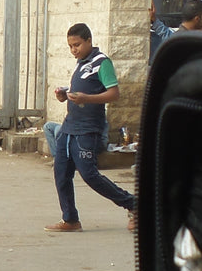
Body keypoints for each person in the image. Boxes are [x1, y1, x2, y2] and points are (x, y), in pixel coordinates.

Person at [45, 23, 137, 234]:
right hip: (70, 128)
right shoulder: (81, 64)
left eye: (77, 45)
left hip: (88, 129)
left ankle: (132, 203)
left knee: (89, 175)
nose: (73, 50)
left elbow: (113, 94)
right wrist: (65, 94)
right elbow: (80, 90)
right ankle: (70, 219)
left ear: (88, 41)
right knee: (61, 174)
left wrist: (87, 98)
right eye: (70, 46)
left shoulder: (101, 62)